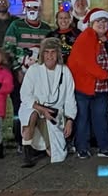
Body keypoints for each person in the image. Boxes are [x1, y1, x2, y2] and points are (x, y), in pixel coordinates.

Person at [67, 8, 108, 158]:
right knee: (83, 118)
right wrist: (106, 75)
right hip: (84, 86)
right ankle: (82, 147)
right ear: (92, 23)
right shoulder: (85, 37)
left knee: (101, 117)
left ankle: (105, 147)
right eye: (99, 21)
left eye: (105, 21)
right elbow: (87, 64)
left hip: (103, 87)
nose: (102, 24)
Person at [4, 0, 52, 151]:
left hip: (40, 77)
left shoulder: (46, 29)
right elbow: (8, 49)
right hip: (21, 74)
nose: (32, 10)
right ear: (25, 8)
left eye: (35, 8)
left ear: (39, 9)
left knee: (40, 107)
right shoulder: (15, 26)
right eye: (29, 7)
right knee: (20, 108)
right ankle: (21, 141)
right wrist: (18, 68)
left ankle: (39, 141)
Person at [19, 37, 77, 165]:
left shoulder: (65, 71)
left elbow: (69, 98)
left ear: (58, 54)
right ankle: (27, 152)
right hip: (35, 107)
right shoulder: (34, 70)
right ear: (42, 54)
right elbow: (25, 95)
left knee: (56, 155)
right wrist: (41, 109)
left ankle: (44, 147)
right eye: (46, 52)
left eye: (53, 52)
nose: (50, 56)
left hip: (53, 113)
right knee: (31, 115)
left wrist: (70, 120)